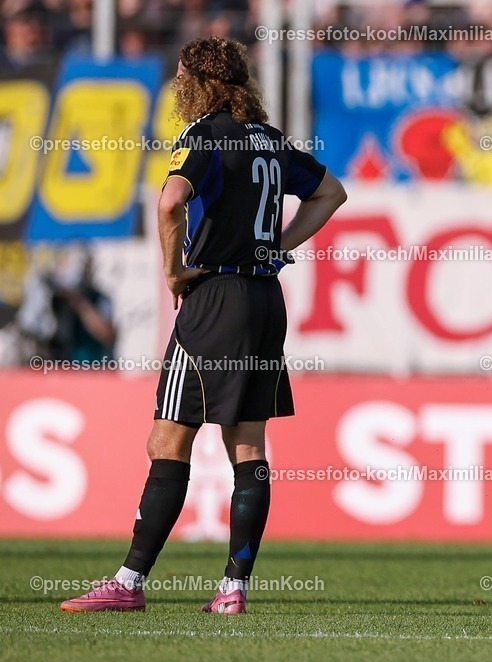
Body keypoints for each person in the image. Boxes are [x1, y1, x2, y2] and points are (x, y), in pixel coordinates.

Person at [60, 36, 347, 614]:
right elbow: (330, 192)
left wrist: (173, 272)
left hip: (213, 296)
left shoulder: (203, 137)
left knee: (168, 439)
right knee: (247, 445)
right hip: (266, 299)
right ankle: (233, 588)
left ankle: (129, 582)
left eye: (181, 78)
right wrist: (276, 245)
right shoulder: (269, 141)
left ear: (197, 83)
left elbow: (169, 203)